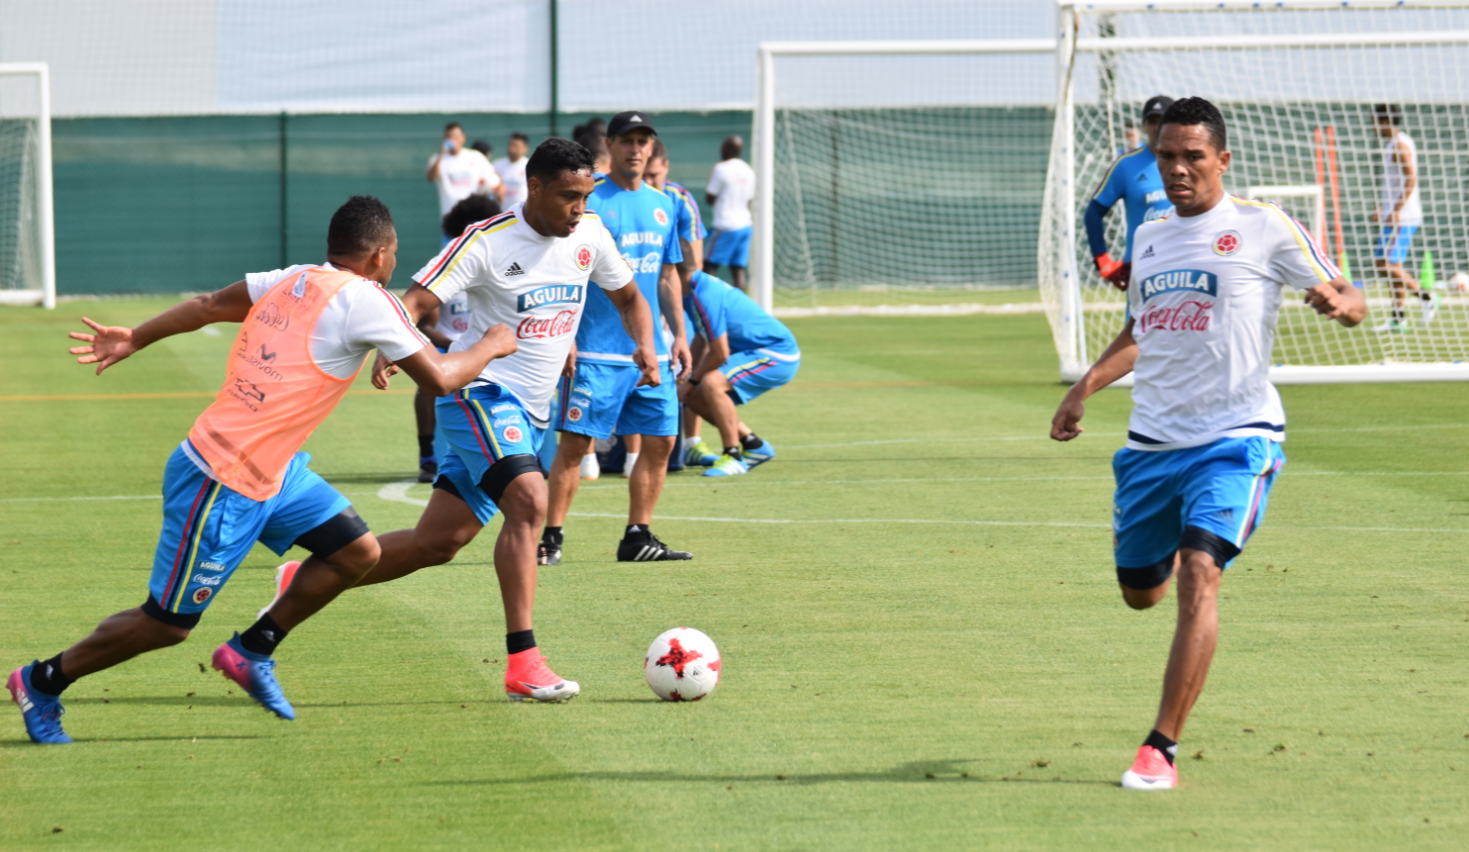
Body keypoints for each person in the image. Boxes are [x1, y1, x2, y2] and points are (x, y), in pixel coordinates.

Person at [6, 196, 517, 743]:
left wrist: (137, 336)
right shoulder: (370, 300)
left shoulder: (291, 278)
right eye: (392, 257)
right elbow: (439, 377)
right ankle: (41, 680)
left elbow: (205, 305)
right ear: (380, 256)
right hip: (221, 477)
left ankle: (252, 648)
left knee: (357, 553)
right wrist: (490, 344)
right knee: (167, 625)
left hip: (275, 471)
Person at [1049, 98, 1366, 791]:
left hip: (1236, 437)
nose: (1177, 168)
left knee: (1200, 571)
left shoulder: (1261, 226)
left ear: (1221, 159)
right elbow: (1138, 331)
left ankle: (1158, 748)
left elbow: (1346, 292)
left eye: (1193, 156)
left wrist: (1342, 304)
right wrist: (1082, 389)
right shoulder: (1153, 235)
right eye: (1166, 155)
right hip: (1149, 446)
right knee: (1140, 594)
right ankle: (1158, 555)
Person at [312, 138, 654, 703]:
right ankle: (524, 661)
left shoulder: (590, 234)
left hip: (533, 413)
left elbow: (631, 298)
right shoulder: (486, 242)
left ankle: (305, 585)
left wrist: (647, 344)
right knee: (529, 500)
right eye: (568, 196)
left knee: (437, 542)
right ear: (534, 187)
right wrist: (390, 346)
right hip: (481, 396)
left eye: (585, 196)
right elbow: (415, 301)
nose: (579, 208)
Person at [542, 111, 693, 566]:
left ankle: (637, 535)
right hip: (593, 349)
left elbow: (668, 277)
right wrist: (562, 332)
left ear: (652, 148)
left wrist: (680, 334)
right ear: (611, 145)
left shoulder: (665, 204)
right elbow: (560, 267)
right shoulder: (592, 202)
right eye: (628, 140)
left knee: (663, 440)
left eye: (644, 141)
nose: (636, 149)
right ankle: (550, 538)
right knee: (574, 445)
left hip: (651, 352)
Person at [413, 194, 503, 483]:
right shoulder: (448, 270)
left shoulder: (499, 267)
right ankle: (427, 456)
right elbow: (425, 326)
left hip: (489, 352)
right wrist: (453, 345)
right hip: (450, 349)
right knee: (426, 387)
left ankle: (520, 451)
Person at [681, 270, 796, 476]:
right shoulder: (689, 291)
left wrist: (692, 380)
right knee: (693, 397)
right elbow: (701, 337)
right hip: (752, 352)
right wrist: (686, 378)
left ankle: (732, 456)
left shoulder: (703, 293)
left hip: (776, 353)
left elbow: (719, 352)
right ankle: (754, 445)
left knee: (711, 382)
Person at [1085, 96, 1176, 290]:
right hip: (1143, 274)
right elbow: (1093, 213)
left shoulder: (1192, 163)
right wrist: (1103, 260)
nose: (1157, 127)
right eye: (1152, 121)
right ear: (1143, 125)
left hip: (1187, 267)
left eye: (1163, 120)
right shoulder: (1126, 165)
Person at [1370, 103, 1432, 331]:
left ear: (1384, 121)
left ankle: (1426, 297)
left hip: (1403, 218)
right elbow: (1395, 184)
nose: (1373, 126)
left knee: (1384, 263)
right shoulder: (1393, 144)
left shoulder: (1400, 144)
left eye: (1374, 121)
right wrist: (1384, 208)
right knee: (1390, 264)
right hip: (1394, 215)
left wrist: (1395, 209)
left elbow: (1411, 179)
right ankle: (1398, 318)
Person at [427, 122, 502, 241]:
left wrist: (500, 188)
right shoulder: (438, 159)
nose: (453, 140)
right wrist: (442, 153)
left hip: (473, 220)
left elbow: (494, 178)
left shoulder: (475, 157)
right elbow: (431, 177)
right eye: (449, 137)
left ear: (463, 138)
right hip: (451, 221)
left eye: (456, 137)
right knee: (451, 257)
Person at [703, 134, 756, 291]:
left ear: (728, 148)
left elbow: (710, 197)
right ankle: (740, 310)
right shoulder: (749, 171)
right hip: (745, 224)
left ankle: (707, 304)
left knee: (708, 265)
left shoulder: (721, 168)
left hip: (725, 225)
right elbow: (749, 200)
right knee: (738, 269)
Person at [494, 132, 531, 207]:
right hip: (501, 212)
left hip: (522, 212)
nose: (512, 149)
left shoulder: (530, 166)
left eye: (516, 146)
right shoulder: (497, 165)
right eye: (511, 145)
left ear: (525, 148)